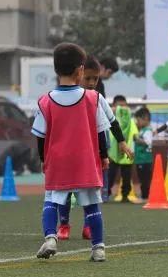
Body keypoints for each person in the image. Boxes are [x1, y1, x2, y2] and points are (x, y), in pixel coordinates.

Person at [31, 43, 110, 262]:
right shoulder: (92, 99)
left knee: (51, 200)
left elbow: (40, 136)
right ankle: (98, 248)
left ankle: (50, 237)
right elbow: (102, 131)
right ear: (80, 71)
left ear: (56, 71)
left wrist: (43, 159)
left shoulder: (45, 101)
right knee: (92, 204)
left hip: (58, 161)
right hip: (85, 161)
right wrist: (104, 155)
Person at [56, 56, 133, 240]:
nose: (91, 83)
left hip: (90, 153)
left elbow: (110, 122)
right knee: (65, 190)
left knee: (90, 190)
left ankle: (88, 226)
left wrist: (121, 142)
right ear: (78, 74)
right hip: (67, 153)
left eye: (95, 79)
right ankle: (64, 224)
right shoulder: (64, 97)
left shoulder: (96, 98)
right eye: (88, 78)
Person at [107, 95, 138, 203]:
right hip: (112, 153)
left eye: (124, 106)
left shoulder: (130, 121)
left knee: (126, 176)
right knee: (110, 174)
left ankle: (125, 195)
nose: (122, 109)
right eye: (119, 106)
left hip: (126, 153)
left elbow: (135, 135)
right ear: (113, 107)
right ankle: (106, 194)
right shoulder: (109, 119)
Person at [134, 107, 153, 201]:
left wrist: (137, 140)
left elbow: (148, 142)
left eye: (139, 120)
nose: (137, 122)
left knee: (145, 179)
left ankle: (145, 196)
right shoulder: (142, 130)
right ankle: (144, 195)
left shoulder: (147, 130)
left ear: (145, 119)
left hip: (145, 160)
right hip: (140, 159)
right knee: (142, 179)